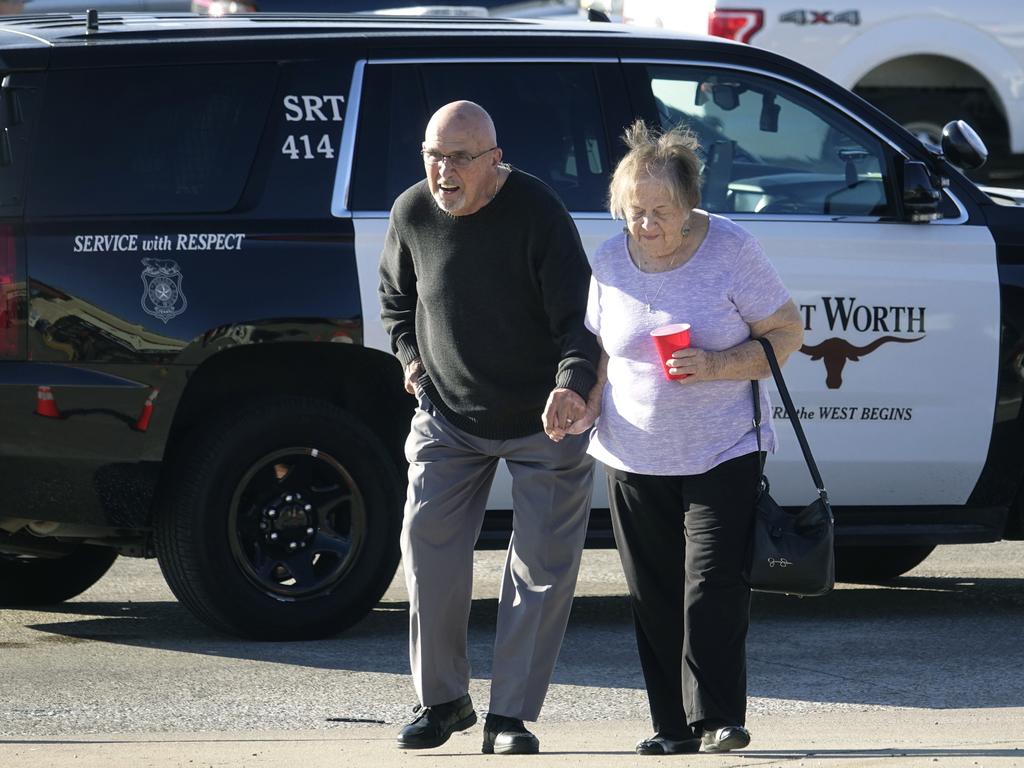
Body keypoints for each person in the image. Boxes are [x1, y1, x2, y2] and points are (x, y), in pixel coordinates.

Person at [558, 120, 804, 756]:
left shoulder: (731, 249)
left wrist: (717, 365)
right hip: (633, 454)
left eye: (659, 212)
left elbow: (786, 333)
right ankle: (670, 726)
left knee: (711, 584)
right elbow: (599, 347)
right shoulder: (611, 258)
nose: (645, 226)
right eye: (634, 211)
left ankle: (719, 717)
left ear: (689, 203)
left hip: (723, 446)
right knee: (654, 593)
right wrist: (581, 400)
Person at [378, 100, 599, 756]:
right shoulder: (412, 211)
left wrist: (572, 385)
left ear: (494, 160)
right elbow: (395, 299)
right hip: (448, 416)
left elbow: (578, 319)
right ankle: (442, 701)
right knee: (426, 545)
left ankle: (510, 717)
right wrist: (411, 362)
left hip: (544, 421)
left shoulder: (537, 212)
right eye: (433, 155)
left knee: (537, 569)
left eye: (460, 158)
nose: (443, 171)